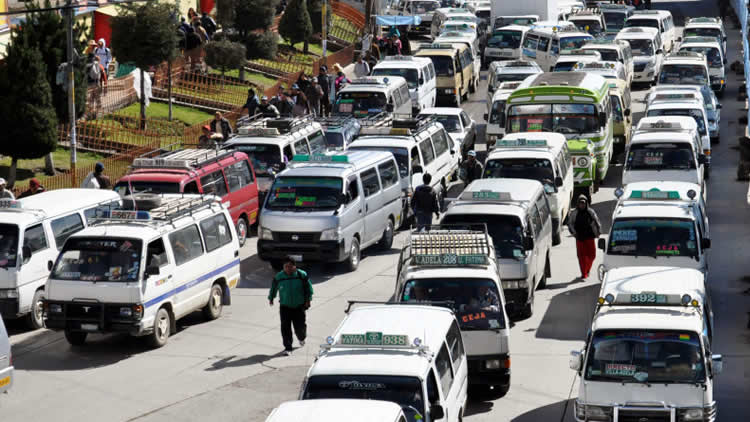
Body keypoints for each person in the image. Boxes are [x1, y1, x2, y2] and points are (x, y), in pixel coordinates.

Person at [268, 256, 313, 355]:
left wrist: (308, 300)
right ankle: (288, 348)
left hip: (299, 306)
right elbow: (274, 288)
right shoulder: (279, 277)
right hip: (285, 307)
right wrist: (271, 298)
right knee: (285, 328)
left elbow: (309, 289)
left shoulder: (301, 275)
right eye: (285, 267)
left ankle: (301, 338)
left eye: (290, 266)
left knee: (300, 328)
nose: (288, 269)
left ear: (294, 267)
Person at [567, 195, 602, 280]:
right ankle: (584, 273)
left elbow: (597, 221)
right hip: (580, 238)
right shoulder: (574, 213)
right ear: (578, 204)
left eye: (583, 203)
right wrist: (574, 233)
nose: (582, 205)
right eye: (580, 203)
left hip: (590, 236)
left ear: (586, 203)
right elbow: (570, 223)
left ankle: (587, 270)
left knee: (592, 255)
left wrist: (598, 232)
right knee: (581, 257)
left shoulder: (590, 212)